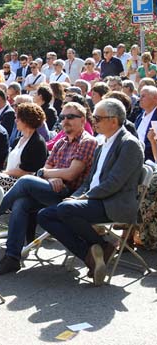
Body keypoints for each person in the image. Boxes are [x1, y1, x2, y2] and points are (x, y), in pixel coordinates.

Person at [38, 98, 144, 286]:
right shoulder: (102, 143)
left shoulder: (129, 144)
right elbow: (89, 181)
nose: (93, 121)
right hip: (95, 200)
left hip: (114, 203)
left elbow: (114, 183)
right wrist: (76, 196)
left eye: (97, 117)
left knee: (65, 210)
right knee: (44, 215)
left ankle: (101, 247)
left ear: (113, 120)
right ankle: (94, 254)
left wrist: (84, 197)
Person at [0, 102, 97, 275]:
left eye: (71, 117)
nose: (65, 120)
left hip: (71, 196)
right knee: (21, 203)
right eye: (63, 117)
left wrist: (50, 173)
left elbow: (70, 174)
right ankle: (12, 257)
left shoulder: (87, 141)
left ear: (83, 119)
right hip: (53, 189)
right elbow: (46, 168)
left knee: (25, 181)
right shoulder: (61, 142)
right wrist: (53, 176)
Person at [135, 86, 157, 161]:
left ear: (155, 98)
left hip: (148, 160)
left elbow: (153, 144)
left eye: (143, 96)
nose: (139, 99)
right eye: (139, 96)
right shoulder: (140, 116)